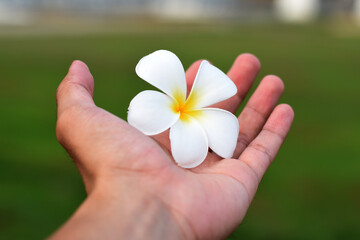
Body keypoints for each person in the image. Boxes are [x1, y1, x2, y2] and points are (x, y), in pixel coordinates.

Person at [51, 54, 294, 240]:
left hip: (189, 112)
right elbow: (144, 114)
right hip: (183, 110)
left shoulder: (212, 123)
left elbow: (218, 142)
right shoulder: (160, 88)